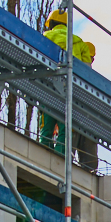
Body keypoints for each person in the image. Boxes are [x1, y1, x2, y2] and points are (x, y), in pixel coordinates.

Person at [39, 9, 99, 170]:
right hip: (69, 91)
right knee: (65, 129)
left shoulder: (45, 37)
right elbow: (87, 71)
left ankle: (42, 157)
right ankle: (60, 161)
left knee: (46, 128)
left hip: (47, 88)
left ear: (51, 24)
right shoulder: (78, 42)